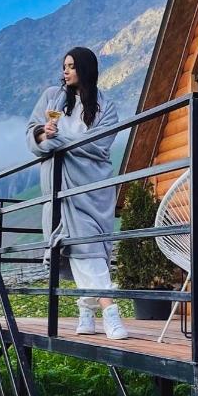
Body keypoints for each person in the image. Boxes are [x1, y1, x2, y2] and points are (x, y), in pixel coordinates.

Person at [26, 47, 128, 340]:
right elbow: (32, 136)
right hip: (60, 188)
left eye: (71, 66)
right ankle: (109, 312)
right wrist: (45, 134)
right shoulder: (51, 98)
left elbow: (99, 146)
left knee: (90, 247)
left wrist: (60, 139)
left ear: (85, 68)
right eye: (64, 66)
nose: (65, 71)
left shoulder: (106, 107)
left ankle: (87, 309)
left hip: (92, 187)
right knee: (80, 248)